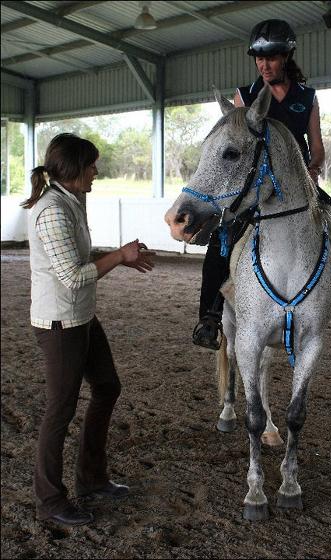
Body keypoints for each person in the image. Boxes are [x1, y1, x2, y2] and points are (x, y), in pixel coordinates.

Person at [192, 19, 331, 350]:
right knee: (222, 236)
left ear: (287, 57)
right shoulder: (245, 95)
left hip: (300, 185)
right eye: (259, 58)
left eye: (272, 57)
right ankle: (210, 314)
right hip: (256, 185)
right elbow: (235, 139)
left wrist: (311, 173)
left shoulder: (306, 98)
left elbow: (317, 148)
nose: (264, 64)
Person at [22, 133, 155, 526]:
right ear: (75, 169)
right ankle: (49, 499)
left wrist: (121, 260)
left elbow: (78, 259)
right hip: (60, 322)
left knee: (108, 386)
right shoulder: (53, 211)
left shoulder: (71, 201)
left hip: (79, 317)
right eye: (92, 164)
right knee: (59, 410)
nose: (97, 170)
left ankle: (91, 478)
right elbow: (73, 275)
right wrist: (119, 255)